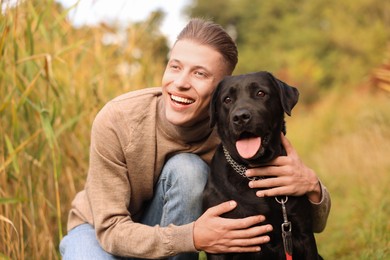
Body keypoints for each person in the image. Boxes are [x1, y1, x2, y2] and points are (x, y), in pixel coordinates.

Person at [59, 18, 331, 259]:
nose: (181, 82)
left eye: (200, 73)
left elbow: (312, 225)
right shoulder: (118, 119)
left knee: (187, 170)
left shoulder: (233, 132)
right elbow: (110, 230)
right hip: (100, 231)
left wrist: (312, 186)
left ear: (220, 91)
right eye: (175, 67)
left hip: (168, 235)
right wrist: (192, 237)